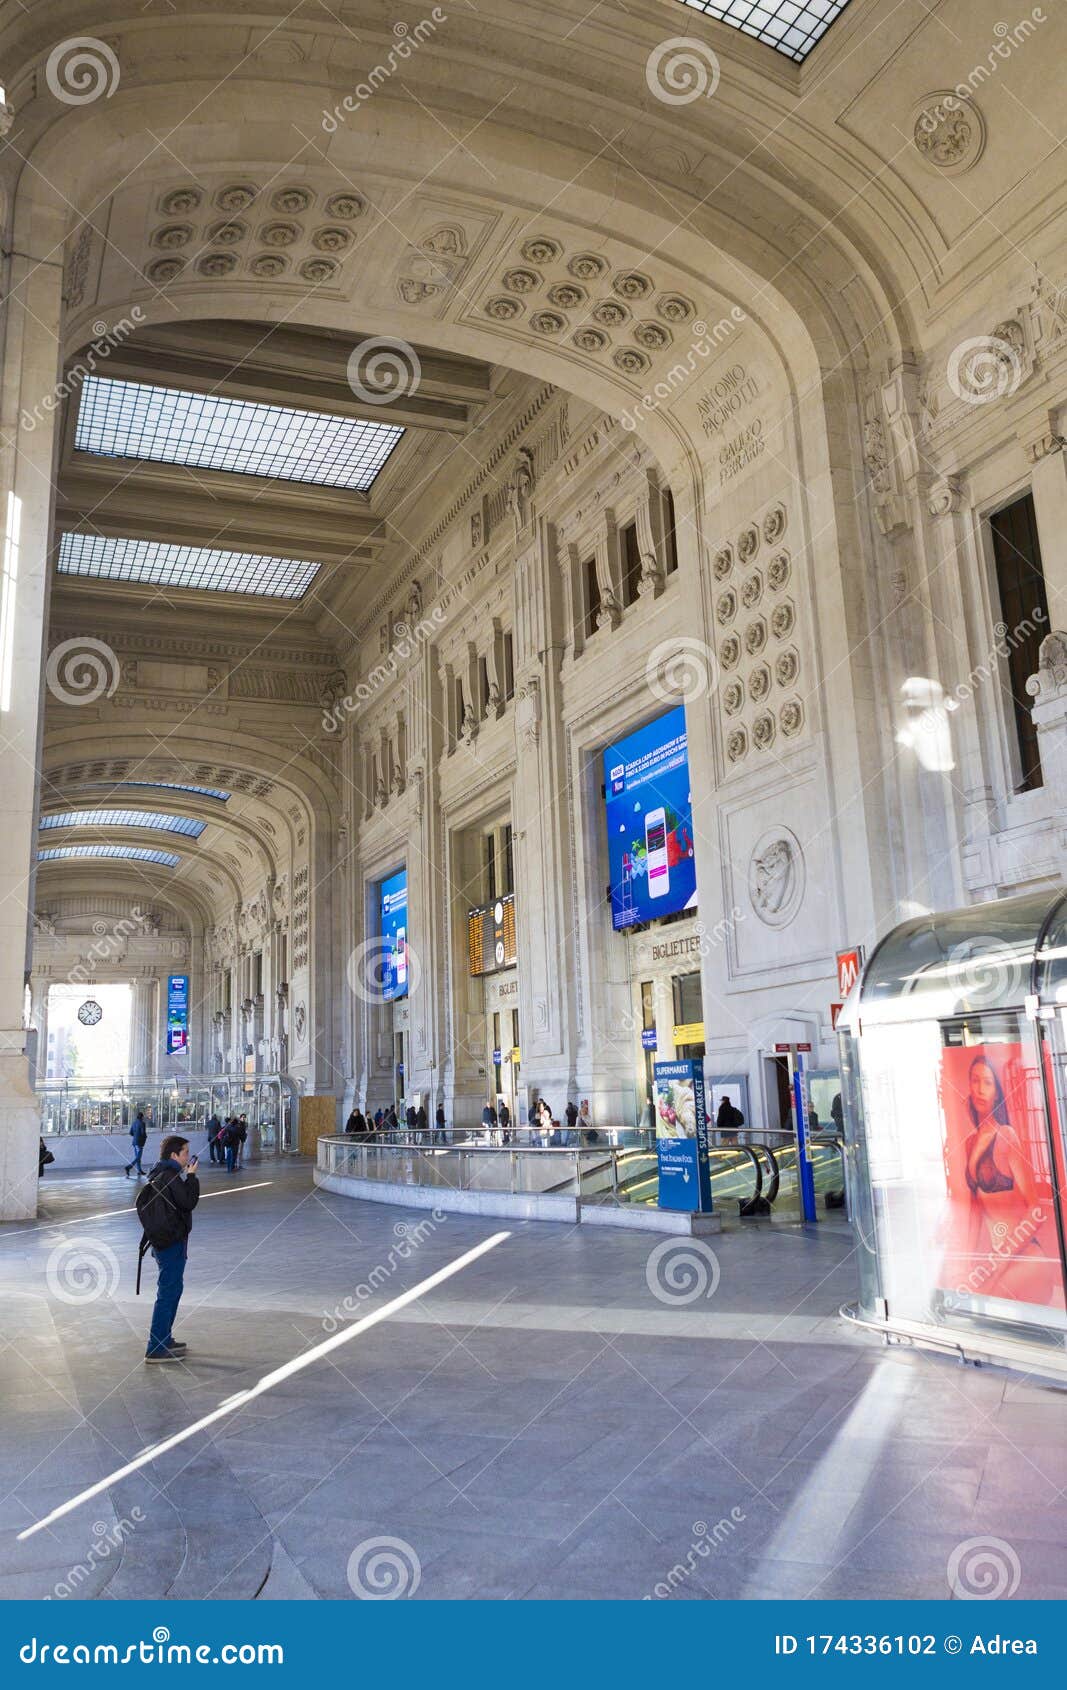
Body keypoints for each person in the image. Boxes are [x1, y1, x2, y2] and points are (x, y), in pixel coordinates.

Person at [137, 1134, 200, 1363]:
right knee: (167, 1293)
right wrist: (192, 1177)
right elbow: (189, 1202)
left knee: (173, 1289)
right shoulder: (171, 1176)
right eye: (185, 1153)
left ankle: (164, 1338)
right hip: (171, 1243)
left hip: (163, 1241)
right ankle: (156, 1347)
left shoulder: (160, 1173)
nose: (187, 1158)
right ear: (174, 1155)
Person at [125, 1111, 148, 1179]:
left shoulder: (134, 1123)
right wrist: (145, 1138)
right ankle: (128, 1167)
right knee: (138, 1157)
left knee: (138, 1157)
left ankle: (139, 1170)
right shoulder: (142, 1123)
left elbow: (130, 1133)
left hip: (134, 1142)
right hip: (139, 1143)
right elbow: (143, 1133)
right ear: (142, 1117)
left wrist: (135, 1136)